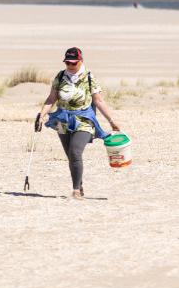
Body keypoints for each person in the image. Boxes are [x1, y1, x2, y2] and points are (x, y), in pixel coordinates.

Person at [36, 47, 122, 199]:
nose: (70, 66)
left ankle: (75, 190)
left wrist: (112, 120)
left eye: (73, 63)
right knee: (70, 156)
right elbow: (51, 99)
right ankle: (79, 184)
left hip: (84, 119)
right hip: (62, 120)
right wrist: (41, 115)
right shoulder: (60, 76)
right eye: (67, 63)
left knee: (75, 151)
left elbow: (99, 101)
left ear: (81, 61)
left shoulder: (89, 77)